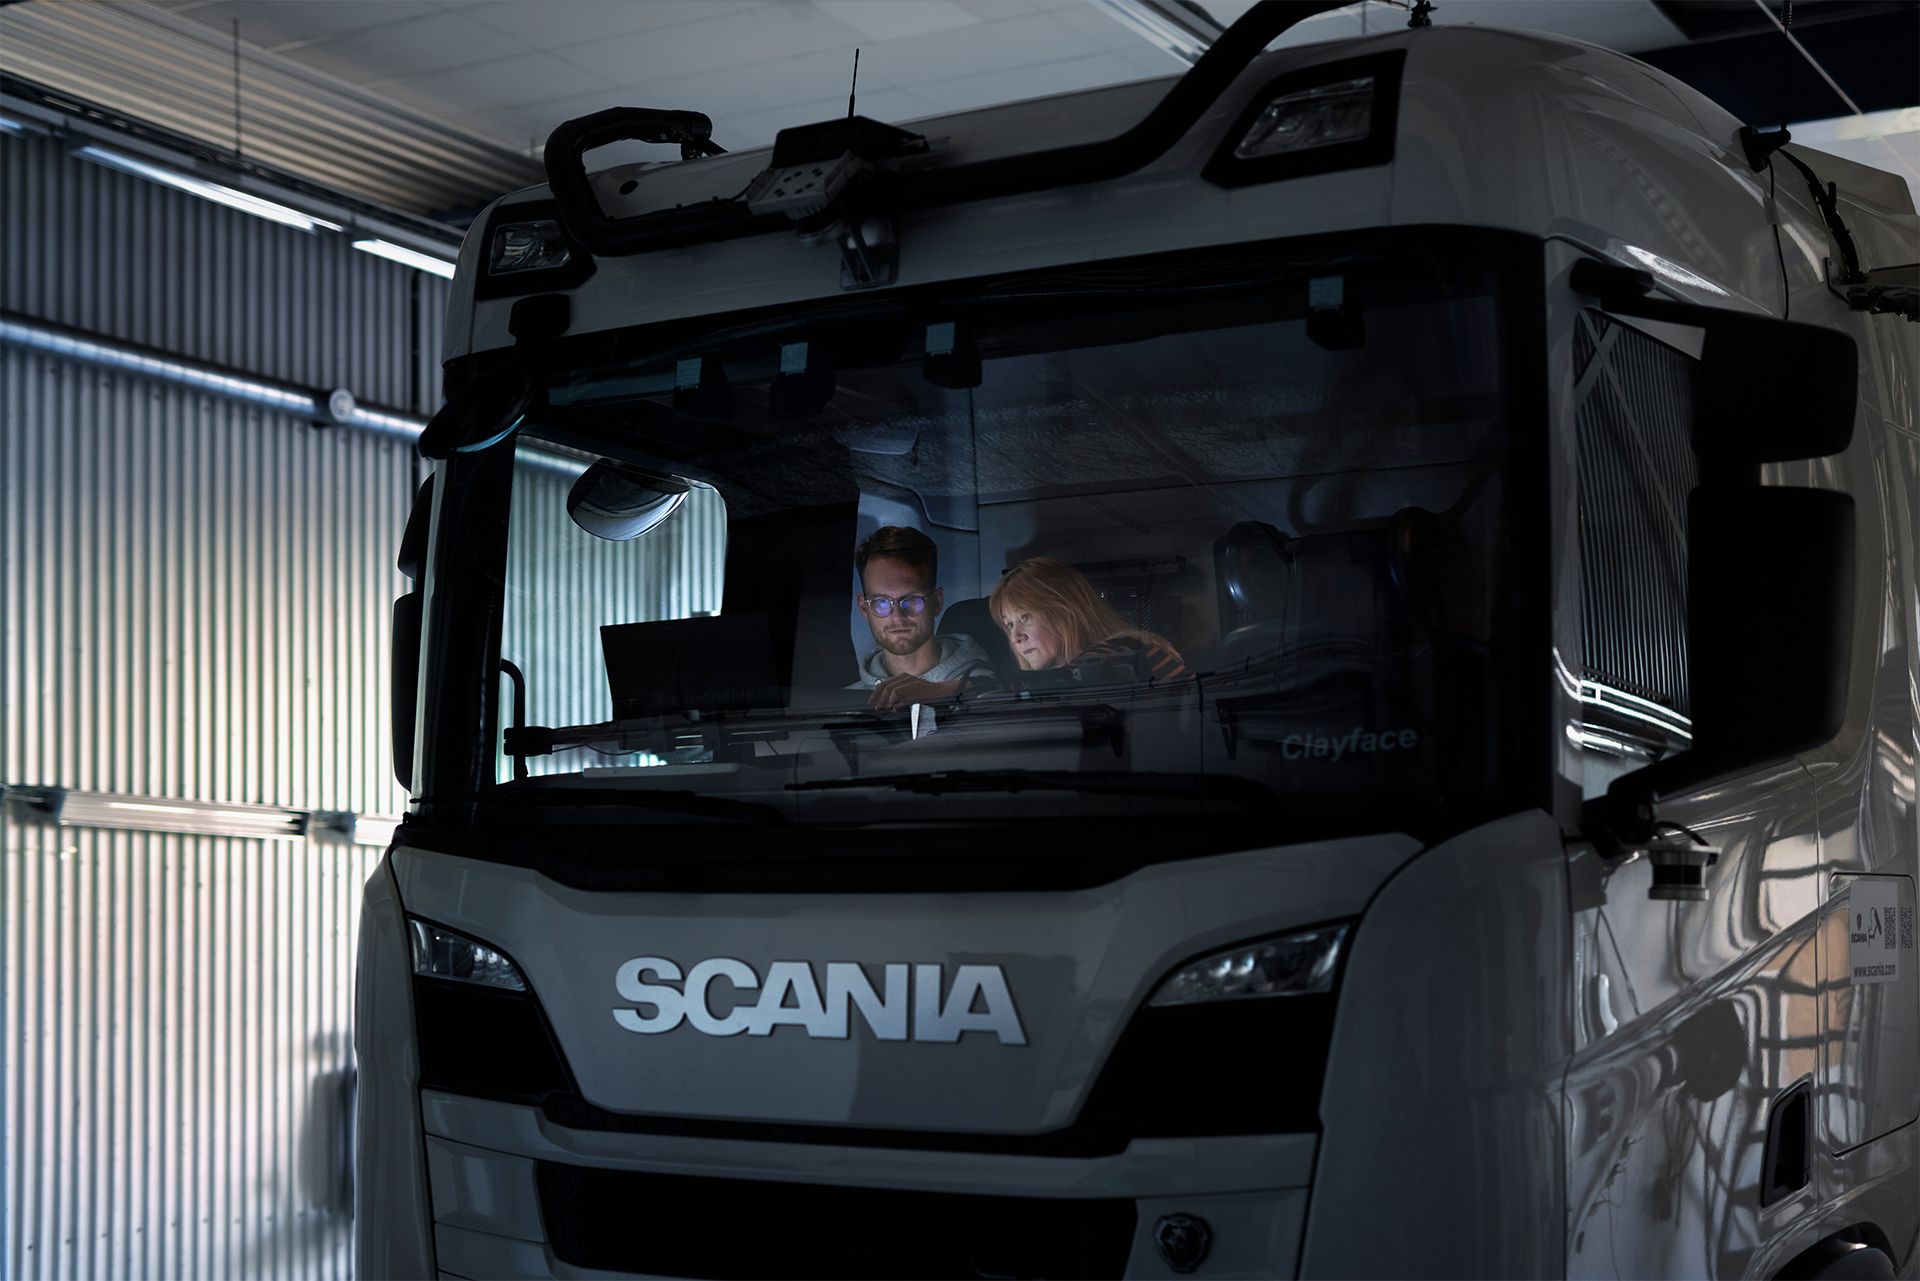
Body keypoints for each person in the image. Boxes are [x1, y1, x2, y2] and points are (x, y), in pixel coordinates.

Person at [869, 555, 1186, 710]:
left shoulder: (1129, 653)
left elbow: (1075, 680)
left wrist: (943, 690)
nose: (1015, 637)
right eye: (1008, 624)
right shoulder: (1053, 692)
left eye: (1025, 617)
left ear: (1065, 612)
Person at [849, 525, 992, 706]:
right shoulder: (845, 704)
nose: (897, 617)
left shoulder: (990, 689)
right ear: (864, 608)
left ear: (937, 602)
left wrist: (946, 691)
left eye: (911, 600)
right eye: (882, 603)